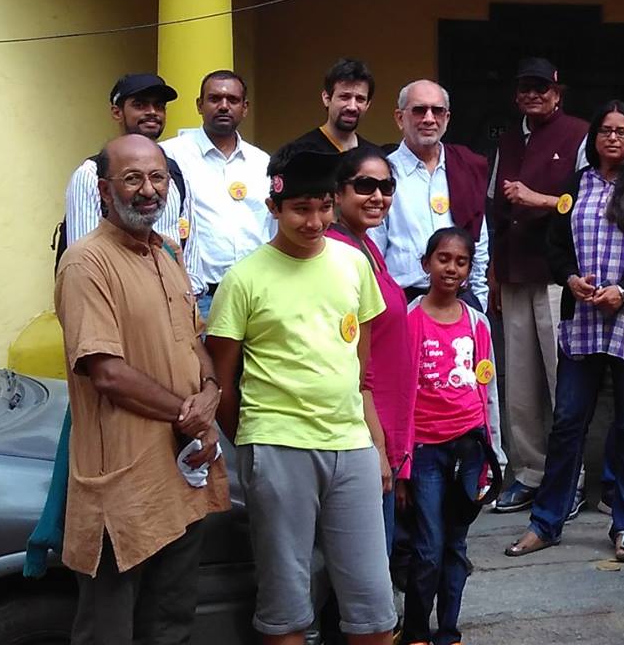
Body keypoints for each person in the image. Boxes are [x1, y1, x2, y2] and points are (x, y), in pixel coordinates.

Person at [206, 149, 395, 645]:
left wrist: (374, 445)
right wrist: (257, 443)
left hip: (350, 445)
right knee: (287, 610)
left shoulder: (353, 264)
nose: (314, 221)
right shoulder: (243, 279)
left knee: (375, 612)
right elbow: (222, 384)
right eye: (300, 209)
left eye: (324, 207)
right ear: (274, 208)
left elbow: (361, 368)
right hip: (277, 446)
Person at [55, 133, 229, 645]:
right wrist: (189, 413)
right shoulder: (87, 263)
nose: (147, 189)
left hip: (180, 477)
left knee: (171, 624)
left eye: (157, 178)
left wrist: (213, 393)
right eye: (132, 178)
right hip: (124, 486)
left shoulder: (167, 254)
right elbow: (106, 372)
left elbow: (192, 341)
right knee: (110, 630)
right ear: (105, 191)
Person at [504, 102, 624, 564]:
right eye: (606, 130)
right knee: (567, 422)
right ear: (594, 136)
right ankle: (546, 522)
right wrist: (569, 278)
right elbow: (556, 245)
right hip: (582, 321)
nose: (614, 138)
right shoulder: (576, 185)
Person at [486, 57, 589, 513]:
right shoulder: (507, 139)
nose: (534, 95)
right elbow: (493, 208)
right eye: (525, 88)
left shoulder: (581, 133)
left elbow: (593, 202)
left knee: (560, 379)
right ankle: (528, 472)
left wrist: (541, 200)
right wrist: (490, 271)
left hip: (557, 275)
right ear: (516, 95)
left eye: (541, 88)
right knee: (521, 385)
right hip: (513, 270)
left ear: (557, 91)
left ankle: (572, 476)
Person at [402, 228, 504, 645]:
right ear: (427, 264)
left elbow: (488, 391)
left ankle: (449, 631)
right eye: (443, 259)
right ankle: (414, 632)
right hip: (425, 451)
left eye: (461, 262)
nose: (451, 268)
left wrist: (494, 453)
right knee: (428, 546)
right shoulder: (409, 319)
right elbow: (402, 395)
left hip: (470, 449)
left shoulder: (477, 323)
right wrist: (402, 463)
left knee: (456, 545)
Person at [327, 146, 413, 556]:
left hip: (385, 427)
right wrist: (377, 448)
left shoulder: (365, 247)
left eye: (386, 186)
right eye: (365, 185)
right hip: (363, 431)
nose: (377, 196)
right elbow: (350, 366)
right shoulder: (336, 254)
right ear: (338, 193)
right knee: (363, 564)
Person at [161, 69, 274, 320]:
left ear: (245, 108)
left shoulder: (262, 162)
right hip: (200, 299)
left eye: (232, 100)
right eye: (215, 99)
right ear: (200, 105)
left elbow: (272, 227)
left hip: (257, 295)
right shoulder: (169, 157)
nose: (224, 106)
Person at [375, 80, 491, 308]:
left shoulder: (466, 167)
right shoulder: (384, 174)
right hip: (404, 301)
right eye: (419, 110)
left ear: (446, 118)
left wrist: (479, 301)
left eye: (437, 111)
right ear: (400, 118)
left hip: (460, 302)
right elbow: (374, 251)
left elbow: (479, 240)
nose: (429, 119)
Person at [63, 73, 187, 254]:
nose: (152, 111)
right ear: (117, 112)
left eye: (159, 106)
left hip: (171, 281)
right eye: (140, 105)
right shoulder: (92, 174)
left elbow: (190, 261)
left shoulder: (175, 174)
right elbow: (85, 258)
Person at [279, 58, 378, 158]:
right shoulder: (300, 154)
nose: (352, 107)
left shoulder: (374, 157)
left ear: (368, 104)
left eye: (360, 99)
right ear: (326, 98)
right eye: (344, 97)